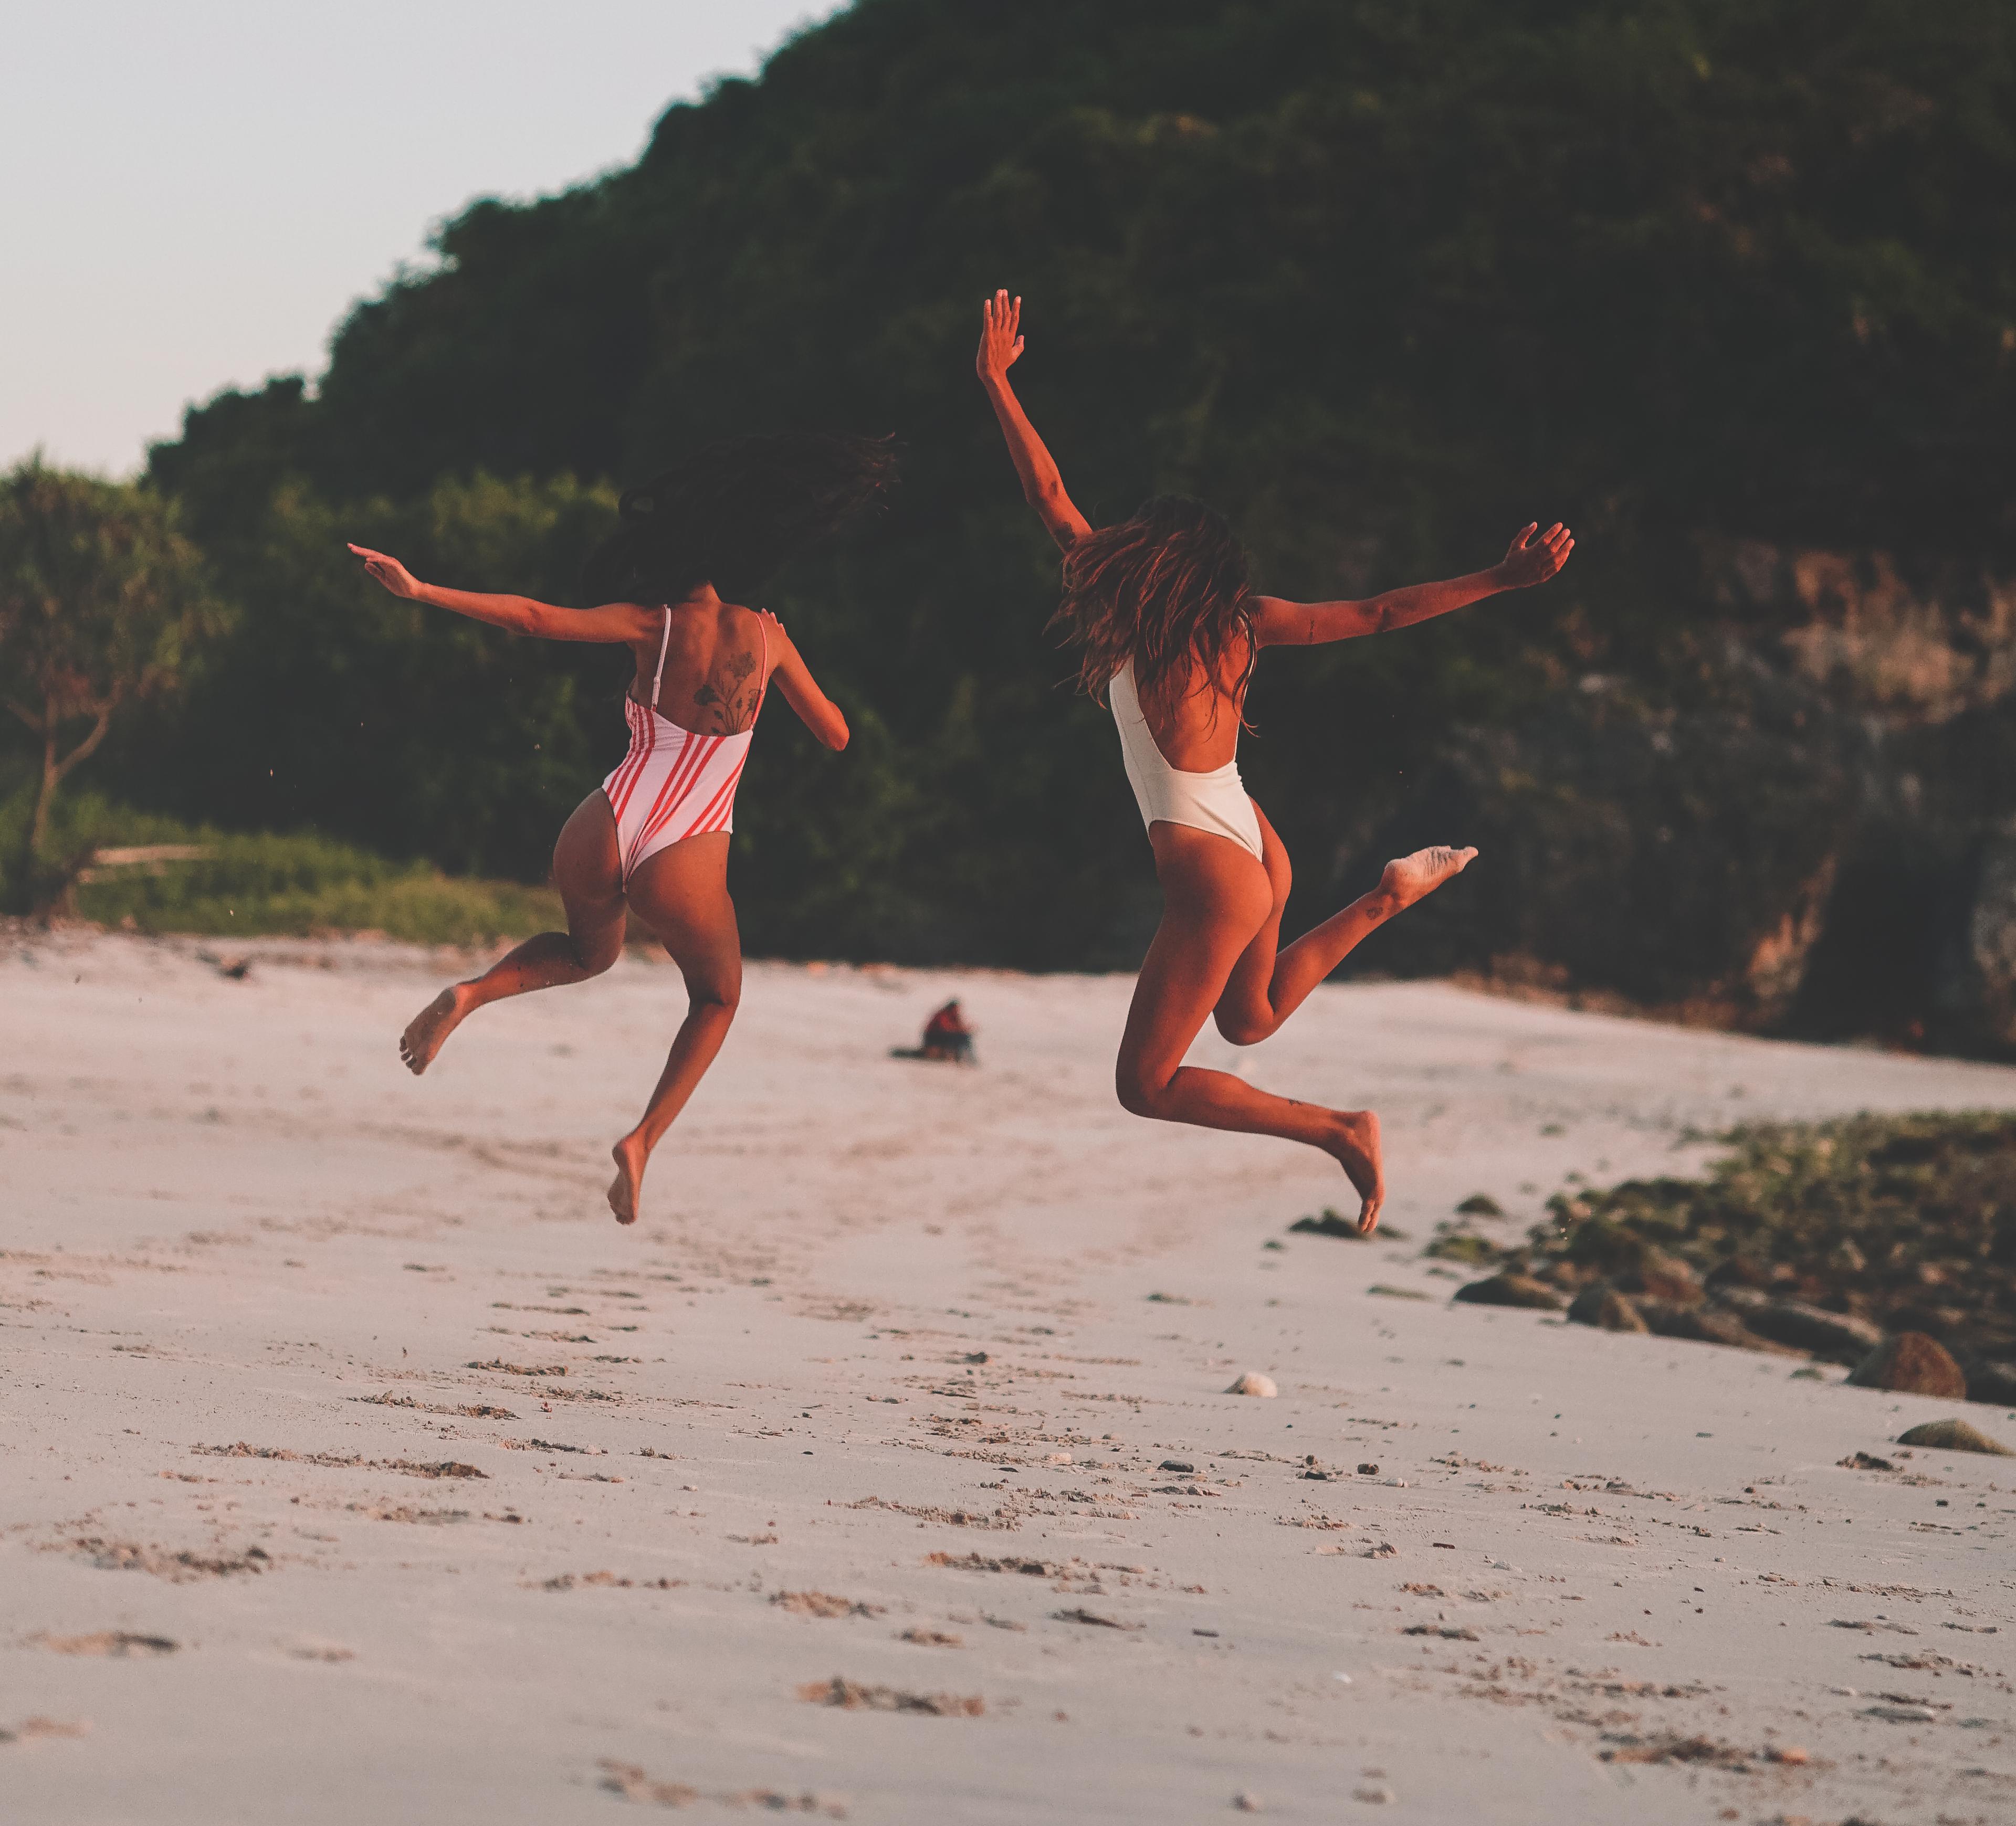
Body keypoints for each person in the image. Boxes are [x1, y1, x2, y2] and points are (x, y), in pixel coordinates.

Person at [974, 293, 1572, 1231]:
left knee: (1146, 1084)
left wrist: (997, 384)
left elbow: (1049, 496)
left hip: (1218, 876)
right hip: (1253, 842)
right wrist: (1499, 580)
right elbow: (1379, 613)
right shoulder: (1247, 626)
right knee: (1247, 1022)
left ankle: (1340, 1131)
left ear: (1153, 558)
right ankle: (1386, 897)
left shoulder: (1125, 605)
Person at [348, 431, 892, 1223]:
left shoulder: (651, 623)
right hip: (690, 848)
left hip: (605, 820)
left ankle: (471, 993)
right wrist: (779, 659)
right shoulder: (770, 638)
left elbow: (533, 619)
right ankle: (640, 1141)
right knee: (716, 997)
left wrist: (423, 590)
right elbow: (838, 735)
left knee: (582, 953)